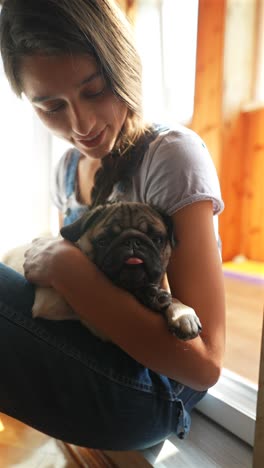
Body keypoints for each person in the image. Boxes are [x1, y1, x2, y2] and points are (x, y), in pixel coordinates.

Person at [0, 0, 225, 451]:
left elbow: (204, 367)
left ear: (123, 67)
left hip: (153, 390)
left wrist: (66, 266)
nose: (80, 124)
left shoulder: (171, 155)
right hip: (91, 357)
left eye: (95, 90)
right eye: (51, 106)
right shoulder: (67, 169)